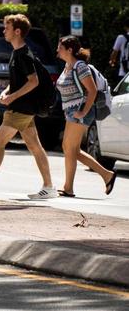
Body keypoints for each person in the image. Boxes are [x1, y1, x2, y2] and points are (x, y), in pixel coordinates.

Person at [0, 14, 56, 200]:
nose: (4, 31)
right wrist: (6, 91)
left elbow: (33, 81)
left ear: (17, 31)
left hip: (21, 108)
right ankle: (49, 187)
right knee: (34, 146)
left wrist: (12, 96)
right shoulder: (17, 53)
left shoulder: (23, 55)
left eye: (7, 28)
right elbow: (18, 80)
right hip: (23, 107)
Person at [55, 36, 117, 197]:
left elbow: (93, 90)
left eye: (60, 47)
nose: (57, 50)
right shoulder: (68, 66)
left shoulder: (80, 67)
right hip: (71, 111)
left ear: (69, 50)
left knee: (70, 149)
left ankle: (69, 187)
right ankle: (106, 175)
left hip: (80, 111)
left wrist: (82, 112)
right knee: (70, 149)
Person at [110, 16, 129, 85]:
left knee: (124, 94)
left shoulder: (121, 37)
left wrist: (112, 62)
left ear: (125, 27)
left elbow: (115, 52)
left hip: (124, 72)